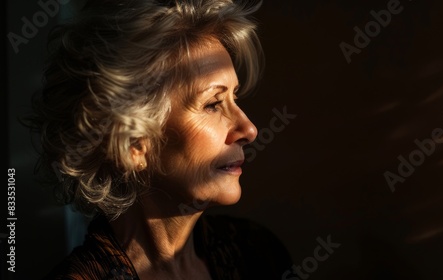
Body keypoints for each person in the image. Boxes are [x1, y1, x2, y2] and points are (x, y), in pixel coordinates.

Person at [24, 0, 294, 279]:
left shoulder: (258, 254)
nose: (249, 130)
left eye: (234, 98)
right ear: (133, 142)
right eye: (213, 104)